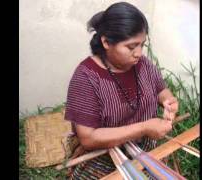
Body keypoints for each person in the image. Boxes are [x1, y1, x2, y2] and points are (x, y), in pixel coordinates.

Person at [64, 2, 178, 179]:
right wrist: (144, 127)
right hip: (104, 156)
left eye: (142, 45)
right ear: (106, 42)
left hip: (144, 147)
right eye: (131, 47)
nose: (139, 53)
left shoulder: (143, 65)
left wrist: (168, 101)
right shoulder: (86, 77)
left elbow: (161, 91)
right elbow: (89, 138)